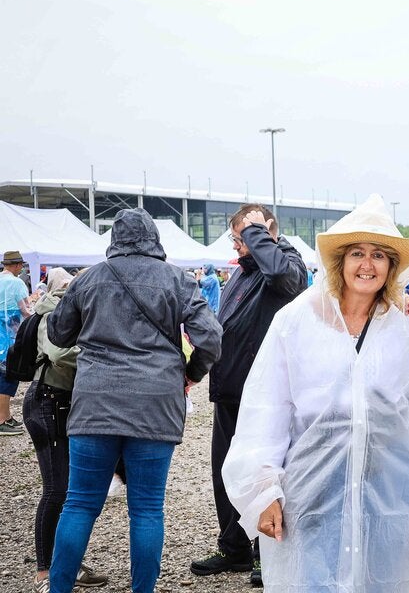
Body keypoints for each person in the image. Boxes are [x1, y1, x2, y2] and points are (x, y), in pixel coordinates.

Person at [221, 194, 409, 591]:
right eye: (357, 253)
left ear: (391, 267)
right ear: (340, 261)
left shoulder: (401, 330)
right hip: (310, 496)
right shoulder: (297, 322)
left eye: (379, 255)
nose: (367, 264)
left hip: (389, 500)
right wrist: (262, 489)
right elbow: (267, 409)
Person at [45, 208, 222, 593]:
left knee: (79, 504)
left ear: (114, 238)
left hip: (95, 402)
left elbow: (58, 335)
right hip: (156, 403)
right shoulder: (177, 279)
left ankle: (58, 588)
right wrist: (191, 374)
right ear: (154, 238)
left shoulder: (88, 279)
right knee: (146, 509)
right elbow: (210, 337)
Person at [191, 204, 307, 587]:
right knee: (227, 472)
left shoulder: (284, 264)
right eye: (237, 238)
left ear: (266, 232)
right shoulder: (242, 274)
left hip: (265, 396)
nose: (239, 246)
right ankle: (234, 548)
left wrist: (259, 232)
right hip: (229, 390)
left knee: (264, 475)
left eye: (244, 237)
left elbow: (284, 277)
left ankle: (265, 553)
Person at [22, 268, 109, 592]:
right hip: (48, 402)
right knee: (57, 490)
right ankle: (45, 573)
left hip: (63, 403)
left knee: (72, 491)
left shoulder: (71, 308)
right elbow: (57, 353)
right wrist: (99, 355)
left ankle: (66, 563)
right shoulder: (52, 310)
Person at [0, 249, 32, 435]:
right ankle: (2, 420)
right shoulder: (16, 282)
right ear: (18, 265)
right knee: (8, 376)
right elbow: (25, 310)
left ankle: (6, 415)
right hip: (10, 335)